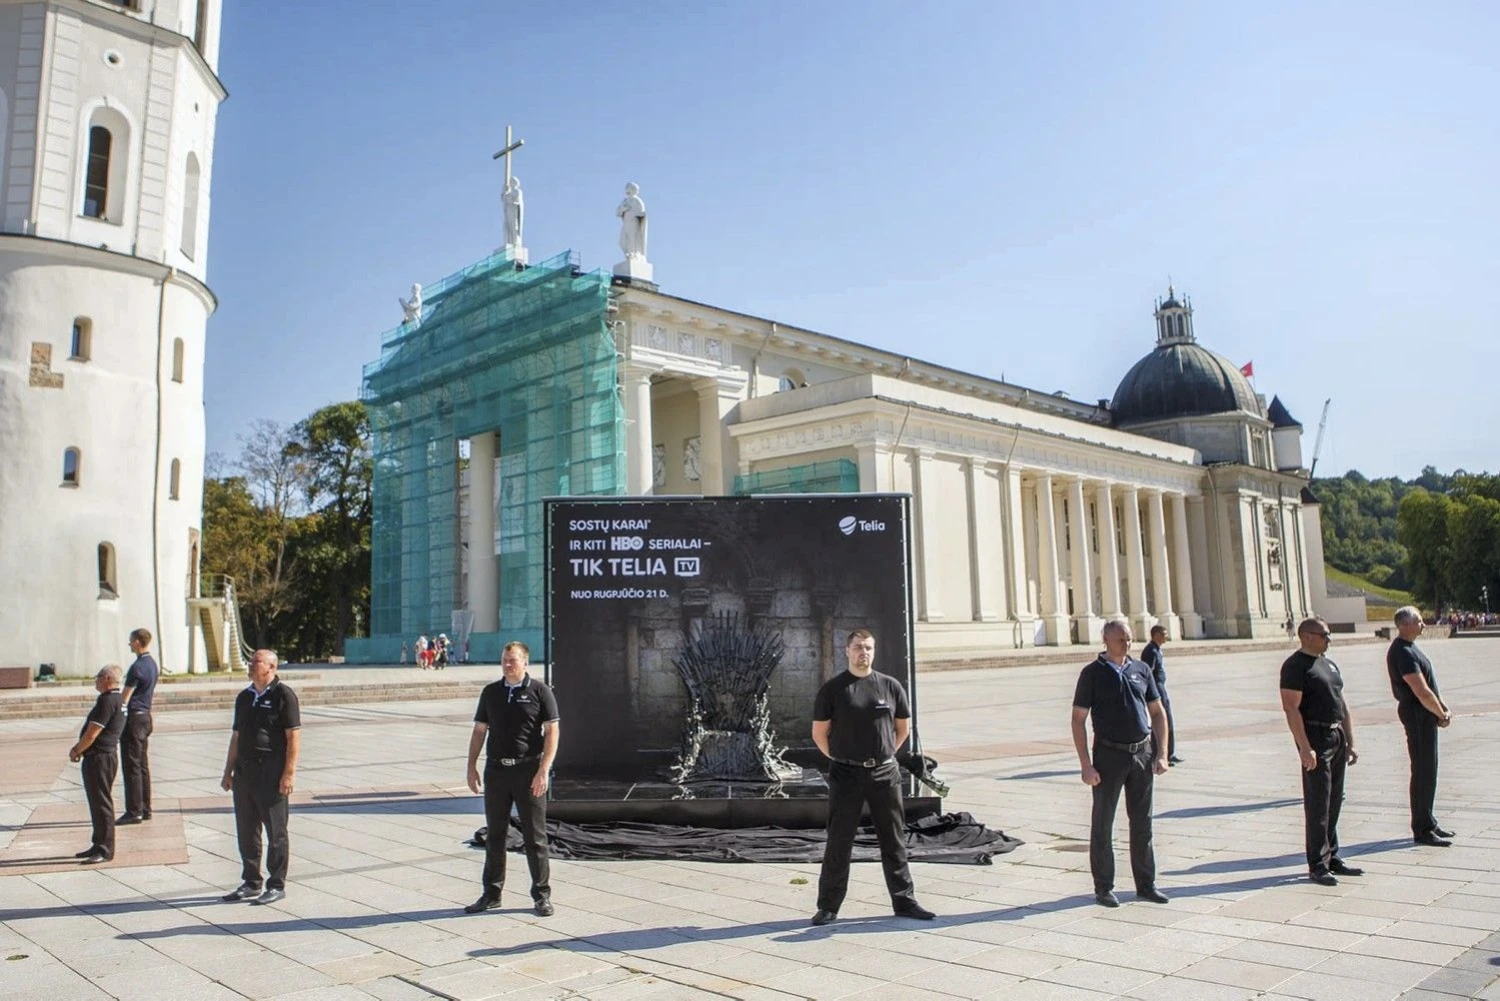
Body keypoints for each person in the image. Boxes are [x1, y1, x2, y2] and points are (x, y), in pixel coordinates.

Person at [809, 629, 935, 926]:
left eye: (867, 647)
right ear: (847, 651)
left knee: (894, 839)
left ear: (873, 651)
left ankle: (904, 901)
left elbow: (901, 729)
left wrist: (885, 754)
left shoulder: (890, 687)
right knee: (839, 840)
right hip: (845, 773)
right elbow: (819, 734)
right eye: (857, 647)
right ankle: (828, 906)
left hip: (884, 772)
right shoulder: (833, 690)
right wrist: (842, 758)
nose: (862, 652)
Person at [1071, 619, 1171, 908]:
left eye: (1129, 640)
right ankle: (1104, 886)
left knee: (1143, 822)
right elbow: (1078, 720)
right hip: (1108, 755)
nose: (1126, 645)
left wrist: (1161, 752)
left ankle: (1146, 884)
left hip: (1141, 753)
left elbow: (1157, 711)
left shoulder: (1141, 669)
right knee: (1103, 822)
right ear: (1105, 640)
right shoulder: (1092, 674)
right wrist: (1086, 765)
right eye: (1120, 640)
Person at [465, 641, 560, 916]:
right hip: (496, 772)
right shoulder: (491, 692)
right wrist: (471, 766)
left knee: (535, 836)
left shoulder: (540, 692)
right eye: (505, 660)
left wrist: (543, 770)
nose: (508, 665)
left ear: (525, 662)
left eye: (513, 660)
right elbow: (479, 731)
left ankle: (541, 895)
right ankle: (491, 894)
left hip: (528, 772)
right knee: (495, 835)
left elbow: (553, 732)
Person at [1280, 617, 1362, 885]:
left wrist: (1350, 740)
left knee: (1334, 798)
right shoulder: (1295, 666)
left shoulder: (1329, 663)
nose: (1329, 640)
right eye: (1325, 634)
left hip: (1336, 734)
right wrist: (1305, 748)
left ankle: (1332, 856)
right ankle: (1317, 863)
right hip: (1315, 736)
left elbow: (1342, 701)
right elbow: (1291, 708)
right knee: (1318, 801)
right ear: (1307, 636)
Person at [221, 649, 301, 904]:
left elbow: (293, 736)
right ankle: (251, 881)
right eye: (251, 661)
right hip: (245, 773)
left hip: (271, 772)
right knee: (246, 829)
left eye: (256, 662)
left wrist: (288, 774)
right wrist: (228, 771)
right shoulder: (244, 697)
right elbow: (236, 736)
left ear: (271, 667)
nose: (250, 665)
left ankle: (276, 883)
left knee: (276, 830)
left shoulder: (283, 695)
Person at [1387, 606, 1454, 846]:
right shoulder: (1402, 652)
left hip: (1424, 714)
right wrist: (1440, 713)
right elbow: (1420, 690)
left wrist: (1440, 706)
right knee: (1423, 770)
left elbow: (1428, 686)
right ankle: (1422, 828)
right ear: (1404, 624)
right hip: (1417, 714)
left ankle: (1428, 820)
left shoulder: (1410, 648)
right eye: (1418, 621)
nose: (1423, 624)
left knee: (1429, 769)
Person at [69, 665, 126, 864]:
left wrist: (77, 749)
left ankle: (105, 848)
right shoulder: (117, 699)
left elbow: (92, 733)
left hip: (100, 757)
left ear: (107, 678)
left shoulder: (107, 701)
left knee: (102, 803)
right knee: (97, 802)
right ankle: (98, 842)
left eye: (98, 677)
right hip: (105, 757)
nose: (95, 681)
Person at [118, 627, 159, 825]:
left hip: (133, 718)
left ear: (136, 642)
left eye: (130, 640)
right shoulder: (152, 664)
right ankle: (145, 808)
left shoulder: (137, 667)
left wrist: (115, 718)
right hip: (146, 717)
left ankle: (133, 810)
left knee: (131, 765)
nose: (129, 644)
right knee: (142, 765)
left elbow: (124, 698)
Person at [1137, 625, 1182, 766]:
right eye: (1164, 634)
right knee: (1162, 720)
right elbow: (1147, 673)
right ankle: (1159, 754)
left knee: (1167, 719)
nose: (1166, 637)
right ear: (1156, 635)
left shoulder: (1156, 650)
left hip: (1160, 687)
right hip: (1156, 688)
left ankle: (1169, 753)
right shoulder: (1150, 651)